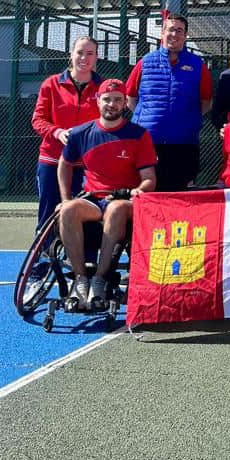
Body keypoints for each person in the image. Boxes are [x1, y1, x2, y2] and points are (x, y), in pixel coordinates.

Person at [58, 78, 157, 310]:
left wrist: (138, 191)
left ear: (125, 104)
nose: (111, 104)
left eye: (117, 100)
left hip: (125, 201)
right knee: (69, 209)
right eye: (107, 99)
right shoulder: (82, 133)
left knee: (115, 208)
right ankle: (81, 279)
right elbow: (64, 164)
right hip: (93, 199)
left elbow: (150, 179)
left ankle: (100, 279)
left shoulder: (139, 135)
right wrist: (64, 199)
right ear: (98, 101)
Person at [126, 13, 213, 191]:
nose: (174, 34)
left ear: (185, 35)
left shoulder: (198, 65)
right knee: (147, 196)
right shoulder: (145, 62)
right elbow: (130, 98)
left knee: (180, 198)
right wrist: (149, 119)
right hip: (148, 143)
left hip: (183, 145)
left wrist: (186, 120)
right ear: (162, 33)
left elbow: (206, 102)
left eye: (179, 30)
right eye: (170, 29)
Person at [31, 36, 102, 228]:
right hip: (52, 160)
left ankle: (85, 257)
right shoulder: (51, 84)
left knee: (87, 215)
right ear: (71, 55)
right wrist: (57, 132)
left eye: (90, 54)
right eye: (79, 52)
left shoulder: (103, 88)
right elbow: (37, 120)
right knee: (49, 213)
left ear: (96, 57)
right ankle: (45, 255)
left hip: (86, 164)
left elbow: (108, 123)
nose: (84, 58)